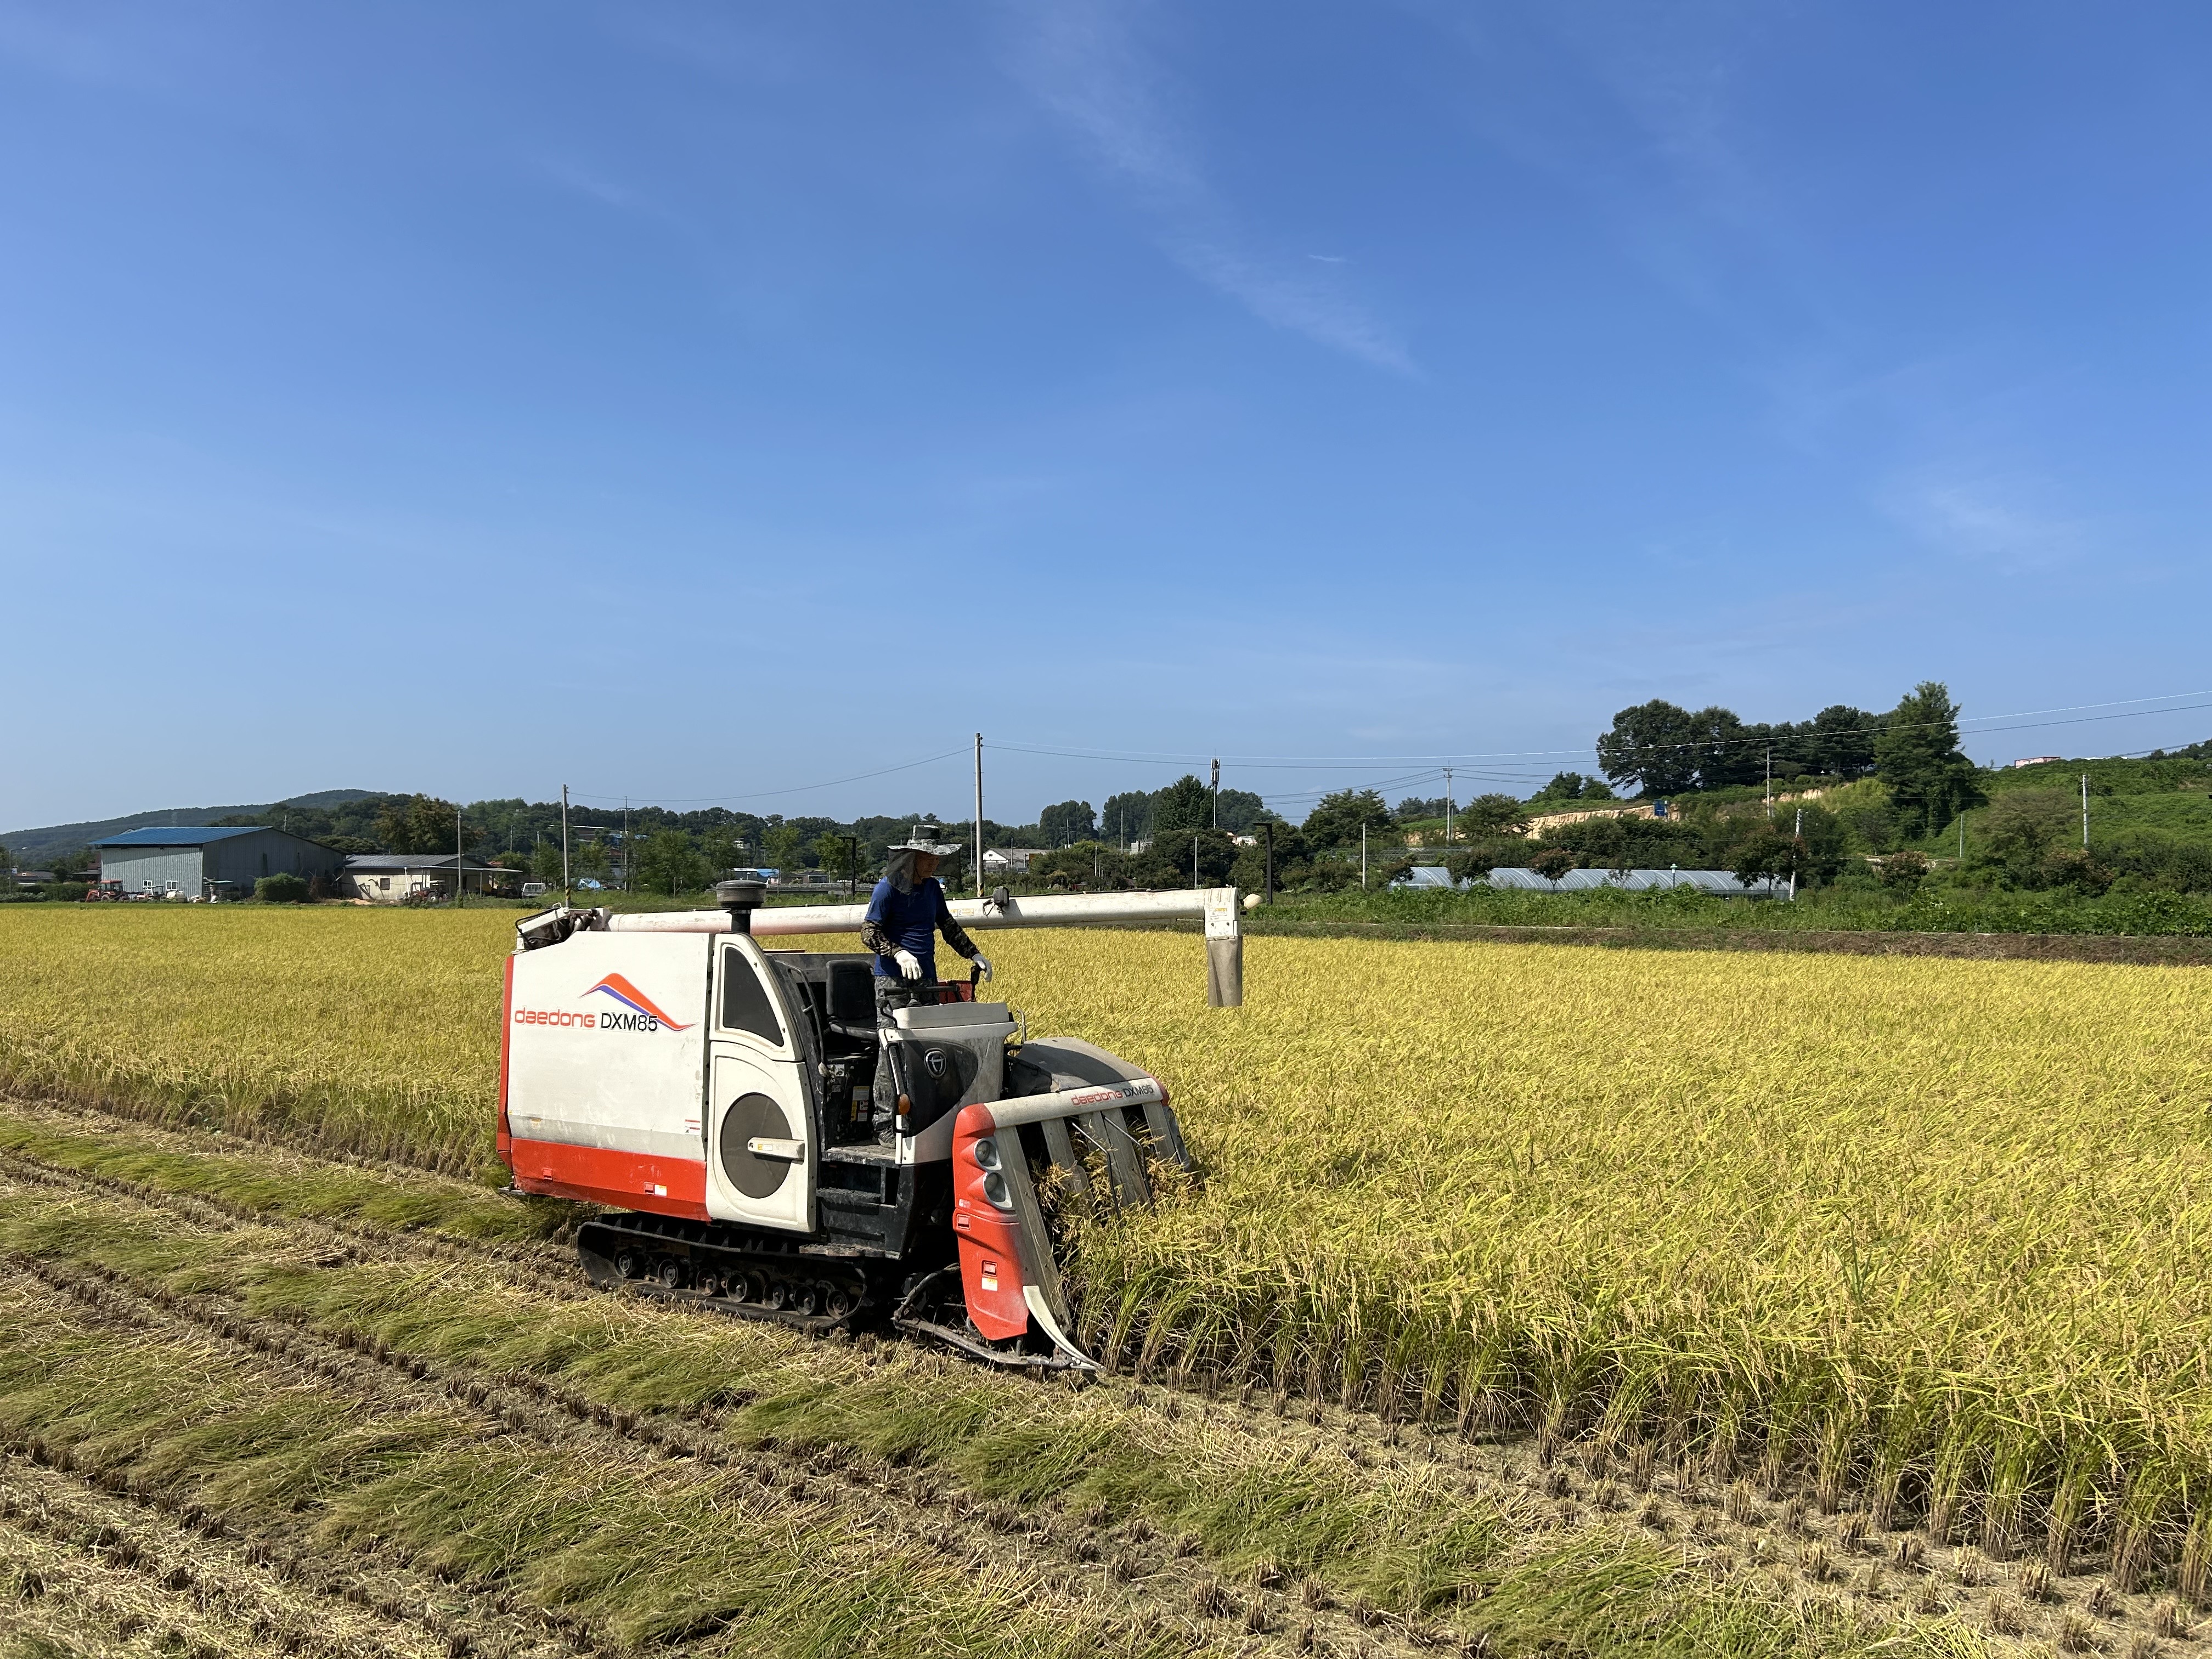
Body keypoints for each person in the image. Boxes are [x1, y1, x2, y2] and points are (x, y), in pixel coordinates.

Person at [860, 830, 992, 1023]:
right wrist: (899, 953)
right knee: (893, 1036)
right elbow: (869, 932)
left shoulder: (932, 888)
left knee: (929, 1032)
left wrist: (974, 954)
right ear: (911, 858)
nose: (934, 864)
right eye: (928, 859)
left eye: (936, 859)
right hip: (893, 978)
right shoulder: (887, 888)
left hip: (927, 977)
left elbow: (948, 926)